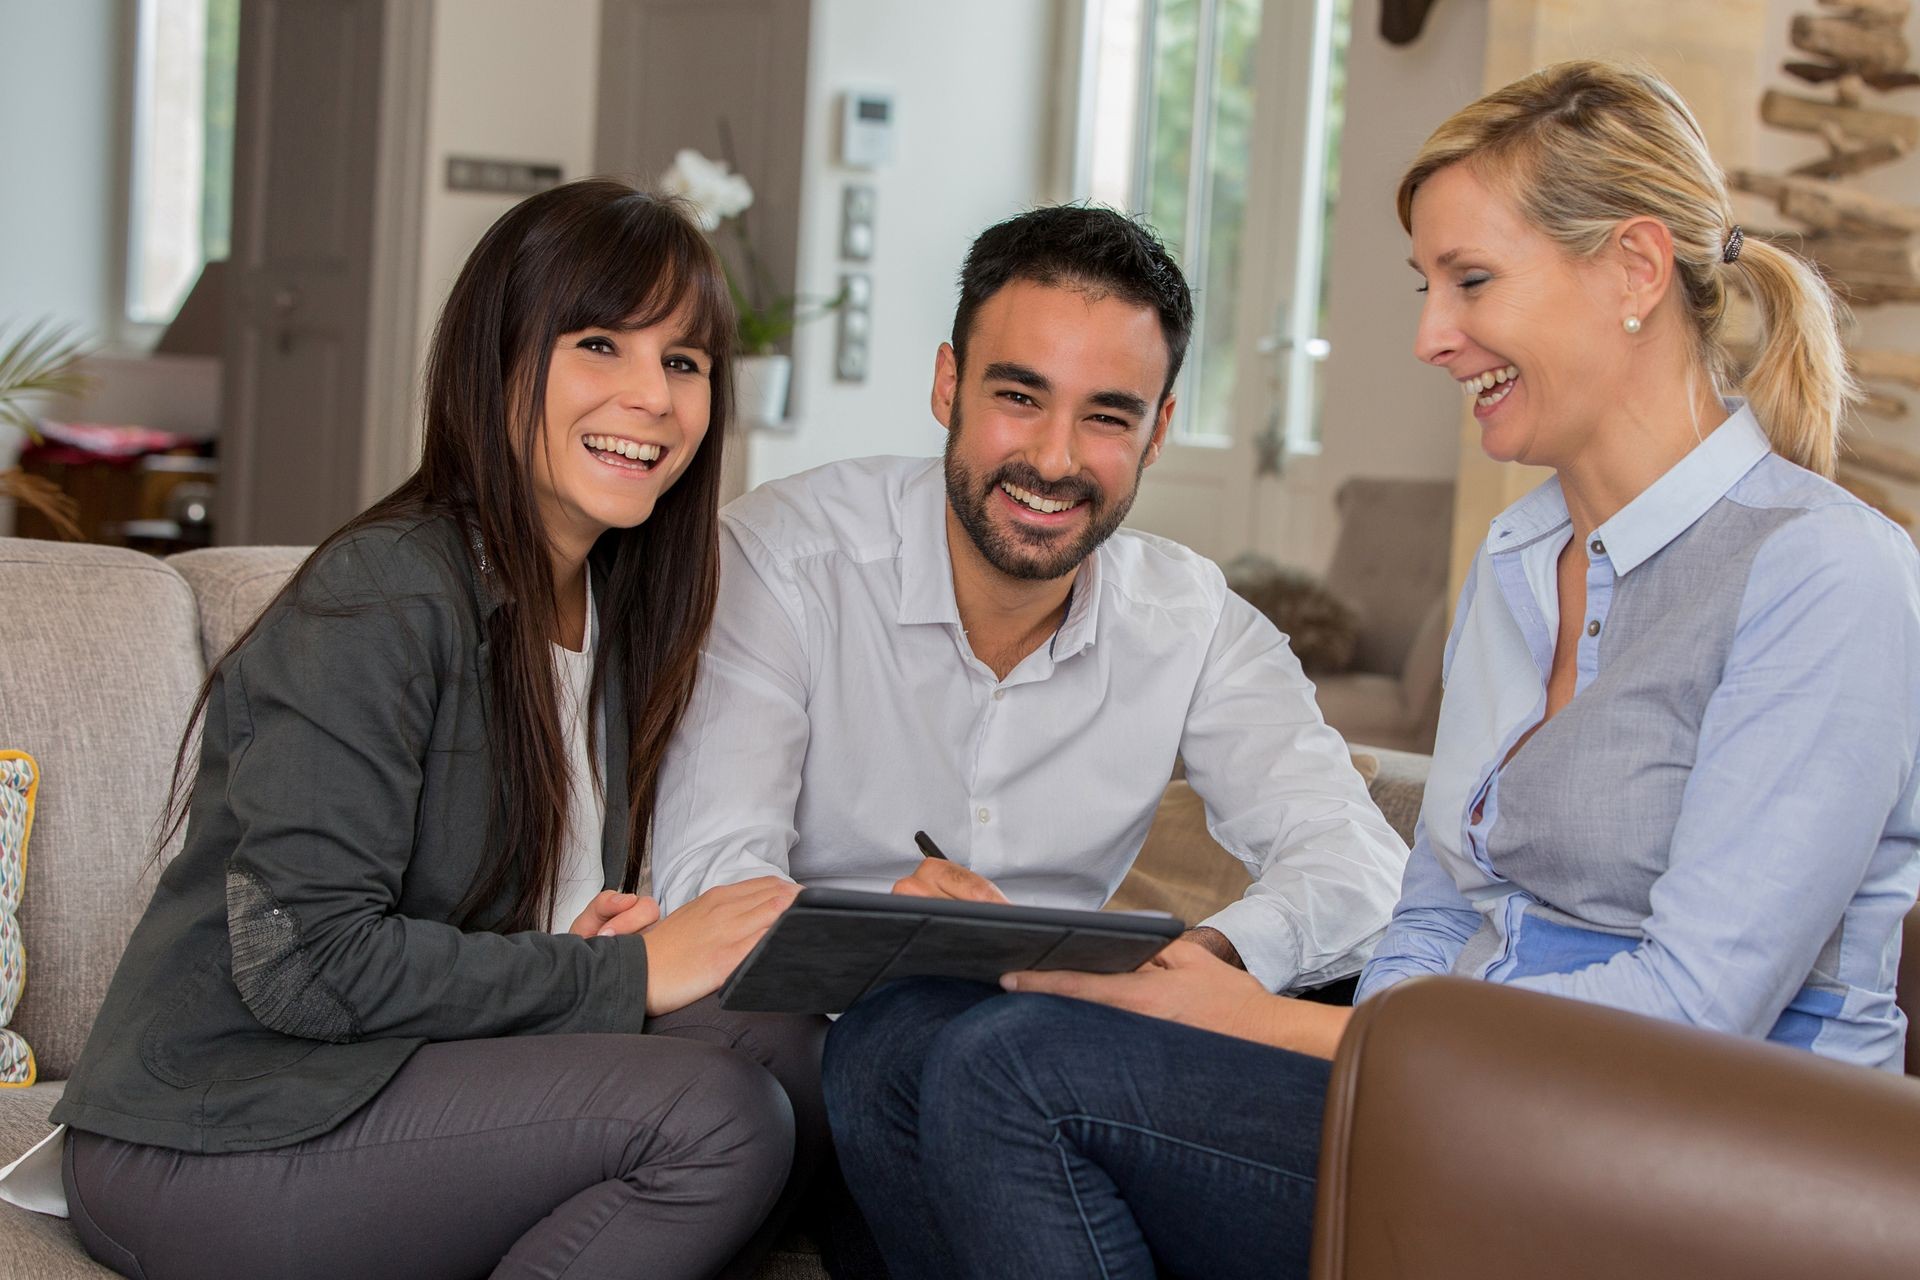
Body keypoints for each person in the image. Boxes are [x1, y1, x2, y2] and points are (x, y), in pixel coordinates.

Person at [820, 60, 1920, 1280]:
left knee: (1011, 1068)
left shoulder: (1825, 573)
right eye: (1426, 285)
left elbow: (1701, 1007)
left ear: (1635, 270)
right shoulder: (1517, 560)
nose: (1429, 335)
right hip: (1464, 1101)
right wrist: (1282, 1022)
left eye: (1472, 282)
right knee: (895, 1039)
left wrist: (1275, 1024)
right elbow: (1439, 910)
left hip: (1704, 1156)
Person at [23, 179, 807, 1280]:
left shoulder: (619, 606)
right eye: (599, 344)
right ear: (498, 361)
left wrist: (577, 948)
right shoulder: (384, 592)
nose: (654, 397)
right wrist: (620, 978)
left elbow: (466, 911)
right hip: (214, 1131)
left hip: (397, 1074)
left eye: (684, 362)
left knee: (802, 1057)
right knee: (718, 1114)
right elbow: (305, 960)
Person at [651, 203, 1406, 991]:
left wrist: (1192, 959)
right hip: (814, 1024)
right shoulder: (782, 560)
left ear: (1158, 432)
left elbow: (1358, 863)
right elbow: (709, 877)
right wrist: (910, 947)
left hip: (1058, 1030)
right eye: (1019, 398)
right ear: (949, 387)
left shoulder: (1191, 619)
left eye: (1108, 416)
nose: (1054, 458)